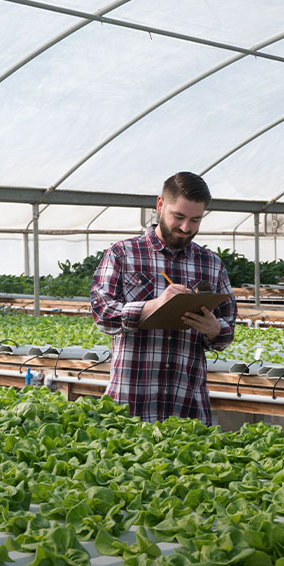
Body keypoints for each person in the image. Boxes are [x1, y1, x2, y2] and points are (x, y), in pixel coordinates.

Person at [90, 171, 237, 424]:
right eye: (178, 217)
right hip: (130, 404)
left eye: (195, 220)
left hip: (188, 406)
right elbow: (103, 314)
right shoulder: (122, 253)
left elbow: (228, 328)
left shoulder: (211, 264)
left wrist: (214, 329)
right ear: (160, 205)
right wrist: (154, 306)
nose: (185, 228)